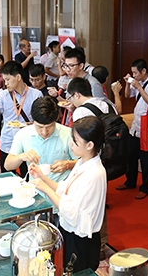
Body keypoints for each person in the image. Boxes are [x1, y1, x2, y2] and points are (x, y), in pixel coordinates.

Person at [29, 116, 107, 273]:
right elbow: (65, 188)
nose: (71, 144)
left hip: (81, 238)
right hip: (71, 231)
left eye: (75, 141)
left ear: (90, 145)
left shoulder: (95, 174)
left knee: (76, 270)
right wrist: (42, 177)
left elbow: (71, 211)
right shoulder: (82, 162)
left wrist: (45, 188)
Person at [116, 58, 148, 199]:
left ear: (144, 71)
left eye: (136, 73)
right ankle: (130, 181)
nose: (134, 75)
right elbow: (127, 95)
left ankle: (146, 187)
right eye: (132, 73)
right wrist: (128, 83)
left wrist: (139, 88)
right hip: (136, 127)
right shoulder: (138, 81)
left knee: (147, 159)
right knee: (131, 156)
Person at [5, 96, 76, 182]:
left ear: (56, 119)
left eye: (49, 126)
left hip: (62, 187)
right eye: (40, 127)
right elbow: (8, 166)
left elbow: (85, 163)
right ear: (33, 120)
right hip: (35, 188)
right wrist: (22, 156)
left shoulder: (68, 134)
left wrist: (68, 165)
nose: (44, 132)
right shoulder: (23, 134)